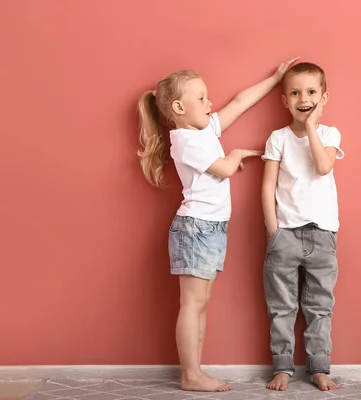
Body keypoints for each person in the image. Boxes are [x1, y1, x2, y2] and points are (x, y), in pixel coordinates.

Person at [137, 57, 299, 392]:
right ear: (179, 107)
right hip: (196, 229)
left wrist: (275, 78)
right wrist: (238, 153)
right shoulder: (185, 140)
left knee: (200, 304)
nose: (210, 103)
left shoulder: (204, 129)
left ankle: (194, 371)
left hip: (209, 228)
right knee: (192, 304)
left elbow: (240, 102)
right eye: (201, 98)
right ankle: (190, 374)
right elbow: (224, 168)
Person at [261, 62, 344, 391]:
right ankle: (282, 367)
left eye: (311, 92)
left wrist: (311, 125)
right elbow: (268, 187)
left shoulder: (329, 134)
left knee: (319, 306)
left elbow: (323, 167)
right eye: (295, 92)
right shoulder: (277, 138)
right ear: (284, 100)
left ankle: (319, 368)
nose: (303, 98)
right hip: (286, 235)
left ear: (324, 97)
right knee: (281, 306)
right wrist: (273, 231)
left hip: (322, 234)